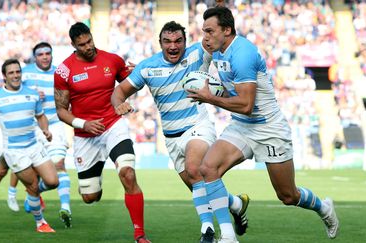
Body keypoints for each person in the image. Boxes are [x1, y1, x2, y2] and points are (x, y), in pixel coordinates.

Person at [187, 7, 340, 242]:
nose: (204, 37)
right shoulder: (216, 49)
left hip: (268, 128)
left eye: (209, 31)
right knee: (208, 168)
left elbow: (247, 104)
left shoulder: (243, 53)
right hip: (241, 126)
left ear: (226, 30)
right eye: (203, 31)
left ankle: (324, 208)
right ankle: (228, 236)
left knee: (288, 195)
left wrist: (210, 98)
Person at [111, 21, 249, 243]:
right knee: (198, 186)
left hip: (198, 125)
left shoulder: (199, 52)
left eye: (178, 41)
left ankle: (208, 232)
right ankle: (235, 204)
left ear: (186, 41)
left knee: (195, 169)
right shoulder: (147, 67)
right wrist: (119, 103)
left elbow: (220, 34)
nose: (173, 46)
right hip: (172, 137)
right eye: (167, 41)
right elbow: (119, 91)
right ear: (160, 43)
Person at [54, 22, 150, 243]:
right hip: (86, 136)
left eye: (90, 41)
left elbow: (130, 84)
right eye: (82, 44)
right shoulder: (64, 71)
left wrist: (138, 76)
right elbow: (61, 110)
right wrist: (82, 124)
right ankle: (94, 178)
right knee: (90, 197)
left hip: (113, 126)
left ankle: (140, 234)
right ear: (73, 45)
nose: (88, 47)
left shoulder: (112, 60)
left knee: (128, 173)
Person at [0, 58, 59, 233]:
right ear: (4, 76)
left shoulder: (32, 94)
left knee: (53, 181)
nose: (16, 75)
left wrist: (46, 130)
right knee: (33, 186)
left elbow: (41, 115)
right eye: (11, 73)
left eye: (18, 72)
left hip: (34, 146)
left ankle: (32, 196)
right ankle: (40, 223)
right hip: (14, 151)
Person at [21, 42, 72, 227]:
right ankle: (35, 192)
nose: (44, 56)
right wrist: (31, 94)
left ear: (51, 55)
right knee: (34, 172)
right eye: (40, 54)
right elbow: (15, 91)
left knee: (59, 164)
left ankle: (65, 207)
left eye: (47, 53)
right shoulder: (24, 73)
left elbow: (70, 95)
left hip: (55, 124)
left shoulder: (59, 73)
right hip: (32, 127)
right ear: (35, 57)